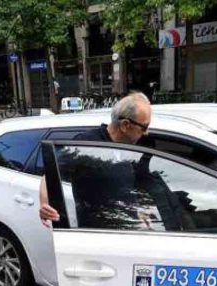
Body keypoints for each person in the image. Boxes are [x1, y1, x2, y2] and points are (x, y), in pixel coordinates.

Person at [39, 92, 152, 226]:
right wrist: (45, 204)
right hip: (98, 236)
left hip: (125, 230)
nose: (146, 133)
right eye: (144, 127)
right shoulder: (88, 144)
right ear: (125, 125)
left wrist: (138, 212)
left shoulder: (127, 148)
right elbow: (51, 173)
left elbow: (124, 191)